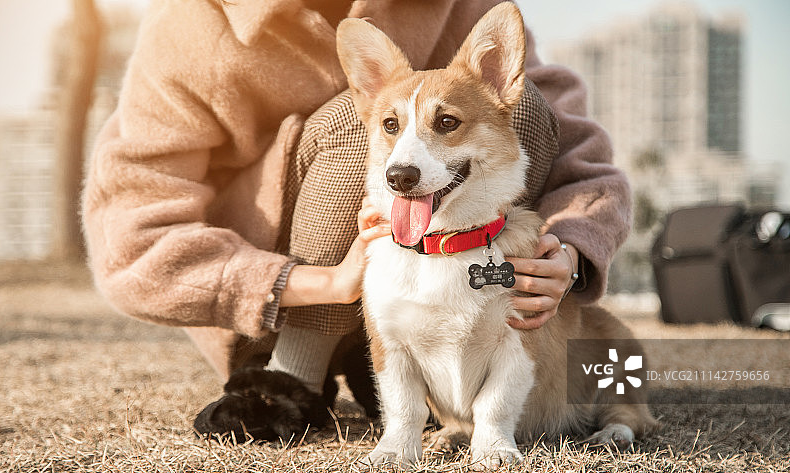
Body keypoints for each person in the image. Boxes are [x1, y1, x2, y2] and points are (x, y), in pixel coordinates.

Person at [82, 0, 631, 440]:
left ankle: (441, 369)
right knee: (357, 120)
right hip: (277, 295)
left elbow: (582, 160)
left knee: (526, 108)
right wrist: (314, 282)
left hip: (448, 281)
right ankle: (295, 372)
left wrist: (567, 248)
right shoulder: (188, 25)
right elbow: (131, 236)